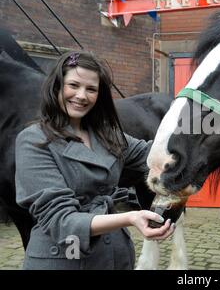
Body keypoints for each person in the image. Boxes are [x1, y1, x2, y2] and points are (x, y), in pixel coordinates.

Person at [15, 51, 174, 270]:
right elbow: (62, 221)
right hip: (63, 259)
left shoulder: (107, 135)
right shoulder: (33, 141)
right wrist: (131, 218)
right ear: (57, 87)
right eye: (73, 85)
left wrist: (203, 135)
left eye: (91, 89)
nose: (82, 95)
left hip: (114, 257)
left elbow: (152, 154)